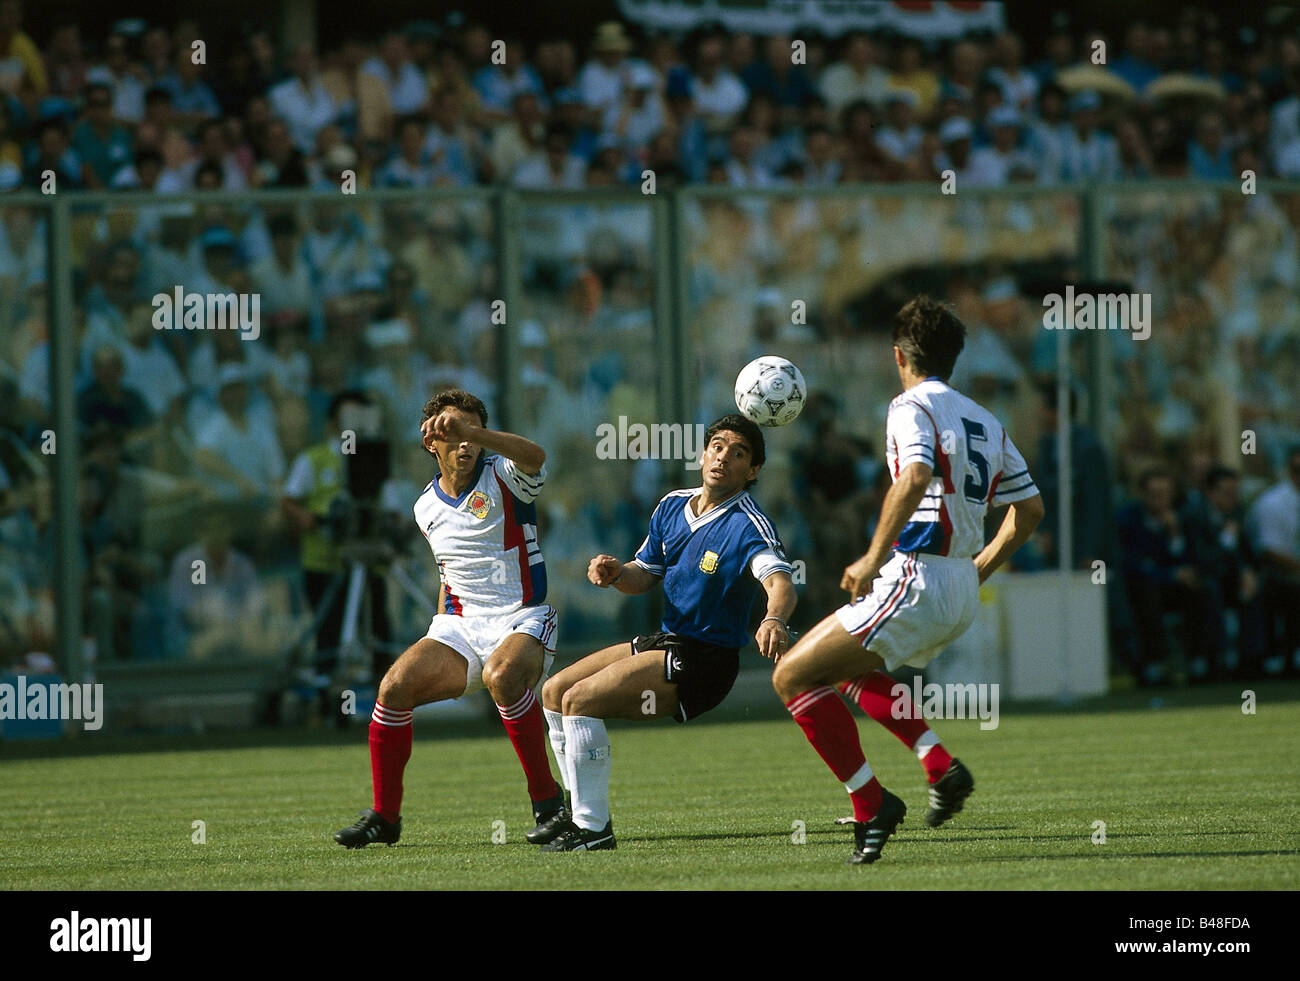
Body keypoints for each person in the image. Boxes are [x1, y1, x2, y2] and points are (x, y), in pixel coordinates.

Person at [771, 296, 1044, 865]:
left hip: (914, 575)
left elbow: (916, 473)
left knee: (792, 675)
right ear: (955, 357)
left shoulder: (908, 406)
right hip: (959, 590)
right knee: (844, 671)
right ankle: (938, 766)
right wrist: (981, 567)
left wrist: (872, 556)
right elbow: (1031, 509)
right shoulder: (986, 419)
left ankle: (871, 803)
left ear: (899, 355)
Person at [538, 414, 796, 851]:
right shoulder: (673, 505)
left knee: (580, 701)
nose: (724, 457)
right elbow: (645, 574)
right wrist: (618, 572)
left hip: (705, 662)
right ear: (702, 453)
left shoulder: (747, 525)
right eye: (717, 446)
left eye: (739, 453)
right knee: (554, 691)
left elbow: (780, 583)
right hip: (668, 642)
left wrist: (773, 618)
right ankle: (575, 809)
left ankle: (592, 829)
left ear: (752, 472)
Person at [334, 389, 564, 847]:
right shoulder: (425, 507)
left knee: (502, 676)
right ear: (429, 443)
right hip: (459, 626)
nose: (464, 444)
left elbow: (537, 456)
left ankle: (549, 804)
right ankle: (385, 816)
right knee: (393, 687)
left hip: (522, 617)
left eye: (471, 433)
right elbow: (449, 571)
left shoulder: (506, 475)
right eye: (451, 432)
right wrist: (443, 627)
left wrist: (475, 431)